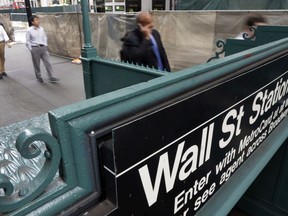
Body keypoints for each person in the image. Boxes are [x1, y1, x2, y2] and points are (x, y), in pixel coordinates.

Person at [26, 15, 59, 83]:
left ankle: (51, 77)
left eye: (38, 20)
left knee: (48, 63)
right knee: (37, 64)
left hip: (43, 48)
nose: (38, 21)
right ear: (32, 22)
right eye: (36, 20)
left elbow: (44, 37)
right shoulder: (29, 30)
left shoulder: (41, 29)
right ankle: (39, 77)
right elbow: (27, 41)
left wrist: (45, 45)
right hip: (35, 48)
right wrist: (31, 49)